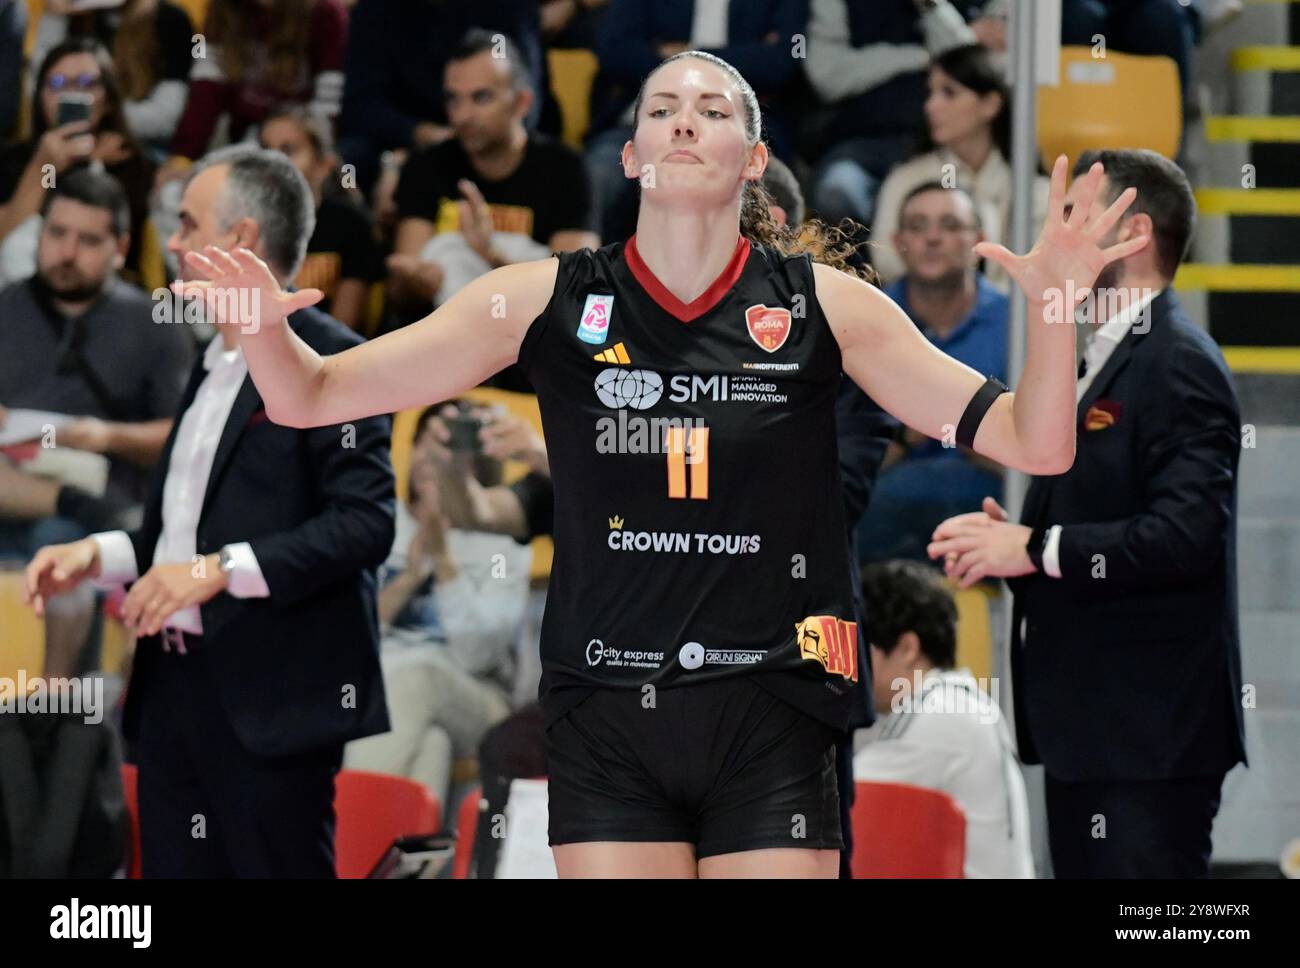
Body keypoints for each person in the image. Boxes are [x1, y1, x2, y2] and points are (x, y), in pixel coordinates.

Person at [169, 50, 1143, 878]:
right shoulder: (538, 298)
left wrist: (1054, 307)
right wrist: (262, 336)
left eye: (712, 110)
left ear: (751, 158)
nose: (684, 123)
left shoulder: (830, 307)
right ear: (629, 152)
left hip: (774, 699)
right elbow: (314, 395)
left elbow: (1034, 440)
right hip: (606, 703)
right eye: (661, 110)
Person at [24, 146, 396, 878]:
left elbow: (367, 524)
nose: (176, 243)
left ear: (243, 241)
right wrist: (95, 556)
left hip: (273, 695)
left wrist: (221, 571)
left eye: (190, 225)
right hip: (174, 689)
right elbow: (179, 535)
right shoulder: (208, 361)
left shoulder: (336, 360)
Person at [929, 149, 1246, 878]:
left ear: (1129, 233)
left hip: (1148, 737)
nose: (1050, 238)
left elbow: (1188, 536)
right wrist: (1013, 546)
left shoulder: (1178, 361)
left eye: (1070, 218)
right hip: (1099, 730)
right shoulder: (1100, 353)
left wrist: (1035, 546)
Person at [0, 169, 192, 677]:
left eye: (87, 240)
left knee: (62, 540)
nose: (66, 252)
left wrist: (106, 436)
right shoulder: (7, 308)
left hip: (102, 508)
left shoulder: (155, 324)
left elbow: (184, 436)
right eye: (56, 234)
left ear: (120, 247)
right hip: (11, 485)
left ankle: (54, 723)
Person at [344, 403, 531, 814]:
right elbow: (345, 647)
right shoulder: (381, 525)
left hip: (479, 700)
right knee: (430, 745)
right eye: (428, 443)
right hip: (384, 694)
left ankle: (346, 847)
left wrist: (444, 563)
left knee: (413, 680)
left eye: (450, 447)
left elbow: (479, 656)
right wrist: (409, 578)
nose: (432, 459)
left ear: (477, 463)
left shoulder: (503, 542)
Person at [387, 29, 598, 331]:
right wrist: (415, 282)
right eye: (454, 100)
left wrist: (490, 256)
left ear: (522, 103)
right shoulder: (427, 165)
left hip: (529, 346)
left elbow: (575, 290)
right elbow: (401, 293)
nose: (463, 116)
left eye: (481, 98)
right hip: (443, 343)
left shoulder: (567, 169)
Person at [857, 181, 1007, 564]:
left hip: (992, 509)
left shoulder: (1018, 324)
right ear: (898, 241)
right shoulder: (864, 318)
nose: (933, 238)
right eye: (918, 226)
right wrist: (914, 433)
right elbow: (847, 461)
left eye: (950, 225)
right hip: (881, 516)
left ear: (980, 240)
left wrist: (953, 425)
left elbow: (1036, 457)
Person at [854, 560, 1034, 878]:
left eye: (860, 653)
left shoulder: (938, 714)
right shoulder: (958, 701)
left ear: (908, 648)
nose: (851, 671)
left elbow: (843, 798)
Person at [869, 43, 1048, 291]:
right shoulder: (906, 178)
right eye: (930, 93)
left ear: (991, 105)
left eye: (949, 93)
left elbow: (1039, 273)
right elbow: (885, 260)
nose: (931, 106)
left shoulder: (1035, 191)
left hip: (1007, 322)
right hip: (918, 319)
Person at [0, 38, 155, 283]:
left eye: (86, 83)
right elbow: (5, 238)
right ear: (40, 96)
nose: (71, 93)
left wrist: (93, 166)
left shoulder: (127, 162)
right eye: (57, 83)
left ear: (108, 99)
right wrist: (43, 166)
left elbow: (123, 255)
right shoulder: (13, 159)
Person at [259, 107, 383, 329]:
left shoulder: (351, 225)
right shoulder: (248, 226)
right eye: (266, 150)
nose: (273, 162)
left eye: (288, 150)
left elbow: (342, 331)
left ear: (323, 165)